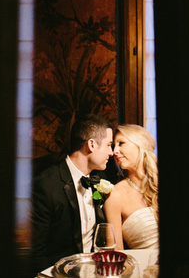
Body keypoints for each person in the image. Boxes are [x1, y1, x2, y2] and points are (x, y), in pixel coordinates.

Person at [30, 114, 115, 272]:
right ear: (91, 145)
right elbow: (36, 252)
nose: (111, 152)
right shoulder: (46, 185)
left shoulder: (99, 178)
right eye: (109, 145)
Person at [103, 124, 159, 250]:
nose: (114, 151)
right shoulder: (115, 195)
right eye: (113, 146)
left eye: (121, 143)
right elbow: (116, 251)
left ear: (141, 144)